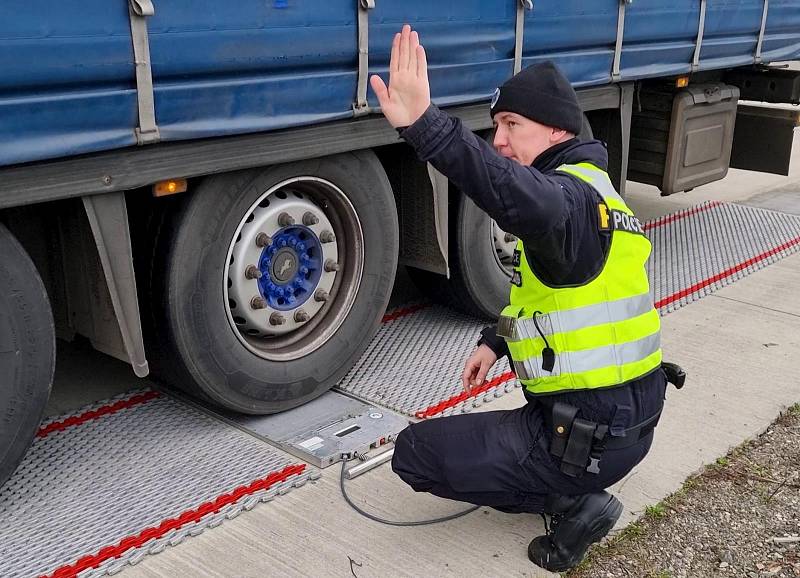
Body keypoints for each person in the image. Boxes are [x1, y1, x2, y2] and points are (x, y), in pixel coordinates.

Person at [370, 25, 676, 571]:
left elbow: (514, 195)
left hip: (588, 438)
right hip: (625, 420)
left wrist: (426, 126)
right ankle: (573, 480)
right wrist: (497, 341)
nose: (500, 141)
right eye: (495, 127)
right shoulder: (600, 196)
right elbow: (549, 306)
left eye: (512, 124)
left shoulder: (567, 200)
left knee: (415, 454)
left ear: (557, 131)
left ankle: (575, 503)